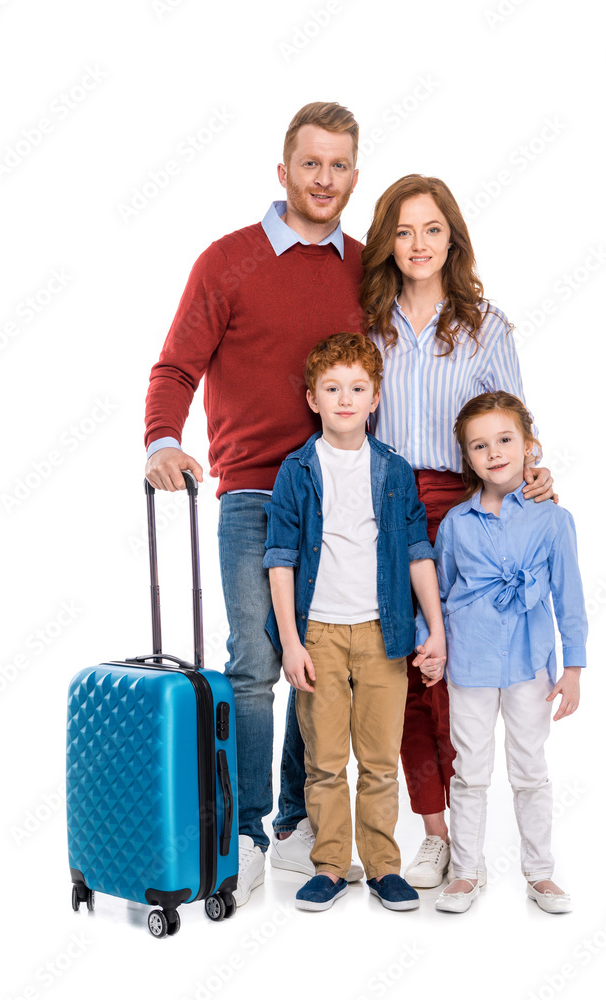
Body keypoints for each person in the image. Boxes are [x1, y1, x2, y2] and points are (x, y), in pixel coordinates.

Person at [144, 102, 365, 904]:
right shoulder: (228, 260)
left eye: (339, 165)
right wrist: (161, 440)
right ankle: (244, 830)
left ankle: (299, 822)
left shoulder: (365, 266)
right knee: (254, 665)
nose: (324, 179)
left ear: (353, 175)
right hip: (252, 494)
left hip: (340, 498)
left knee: (324, 662)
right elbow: (176, 366)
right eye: (311, 163)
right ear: (283, 171)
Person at [358, 174, 555, 889]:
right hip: (383, 505)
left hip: (459, 509)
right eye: (404, 230)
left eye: (432, 229)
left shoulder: (484, 326)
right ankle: (435, 833)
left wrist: (534, 475)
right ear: (387, 242)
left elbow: (513, 425)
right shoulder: (367, 323)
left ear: (452, 239)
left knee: (458, 671)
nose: (418, 244)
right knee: (408, 671)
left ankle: (475, 841)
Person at [264, 332, 446, 911]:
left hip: (383, 633)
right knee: (322, 762)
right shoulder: (297, 470)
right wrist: (291, 642)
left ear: (375, 398)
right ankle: (330, 866)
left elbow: (417, 551)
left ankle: (384, 868)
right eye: (332, 388)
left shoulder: (393, 470)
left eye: (357, 388)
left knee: (378, 761)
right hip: (317, 633)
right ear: (312, 398)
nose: (345, 399)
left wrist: (436, 629)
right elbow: (280, 559)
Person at [415, 391, 587, 913]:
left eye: (505, 440)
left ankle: (540, 873)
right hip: (469, 664)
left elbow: (569, 597)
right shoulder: (456, 523)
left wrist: (574, 667)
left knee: (530, 768)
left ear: (529, 445)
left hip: (531, 665)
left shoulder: (553, 520)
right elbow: (440, 593)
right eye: (479, 445)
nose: (494, 453)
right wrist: (431, 645)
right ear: (467, 458)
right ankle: (466, 872)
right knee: (470, 770)